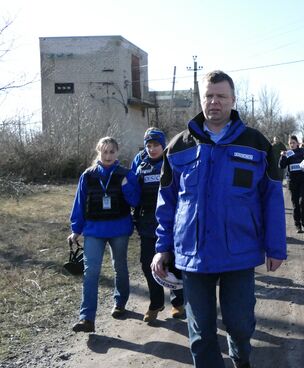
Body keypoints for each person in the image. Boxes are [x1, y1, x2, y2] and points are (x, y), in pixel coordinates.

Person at [151, 70, 286, 368]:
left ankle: (241, 360)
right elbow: (167, 202)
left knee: (239, 325)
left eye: (221, 96)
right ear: (201, 100)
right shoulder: (179, 146)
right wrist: (162, 247)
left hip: (239, 252)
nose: (214, 102)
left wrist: (275, 247)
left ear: (233, 100)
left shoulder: (256, 144)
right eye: (208, 96)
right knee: (200, 336)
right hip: (193, 255)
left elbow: (272, 199)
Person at [68, 136, 140, 333]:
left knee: (119, 266)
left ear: (117, 153)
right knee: (90, 272)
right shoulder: (88, 175)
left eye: (111, 152)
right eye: (104, 151)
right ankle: (87, 318)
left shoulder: (126, 173)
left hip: (119, 229)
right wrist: (76, 229)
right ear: (98, 152)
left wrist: (125, 185)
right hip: (94, 230)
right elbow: (80, 204)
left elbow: (135, 200)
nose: (108, 155)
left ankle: (120, 303)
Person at [133, 127, 185, 323]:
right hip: (147, 224)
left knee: (172, 264)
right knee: (148, 264)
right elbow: (134, 195)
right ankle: (155, 303)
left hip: (170, 223)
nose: (152, 149)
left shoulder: (171, 163)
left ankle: (178, 302)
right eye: (149, 145)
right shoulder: (140, 167)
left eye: (156, 145)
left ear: (163, 146)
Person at [279, 135, 304, 233]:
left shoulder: (303, 151)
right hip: (293, 182)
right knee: (295, 204)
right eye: (290, 143)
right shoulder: (288, 153)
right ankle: (298, 226)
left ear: (297, 143)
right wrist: (282, 156)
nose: (292, 144)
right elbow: (281, 166)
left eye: (293, 142)